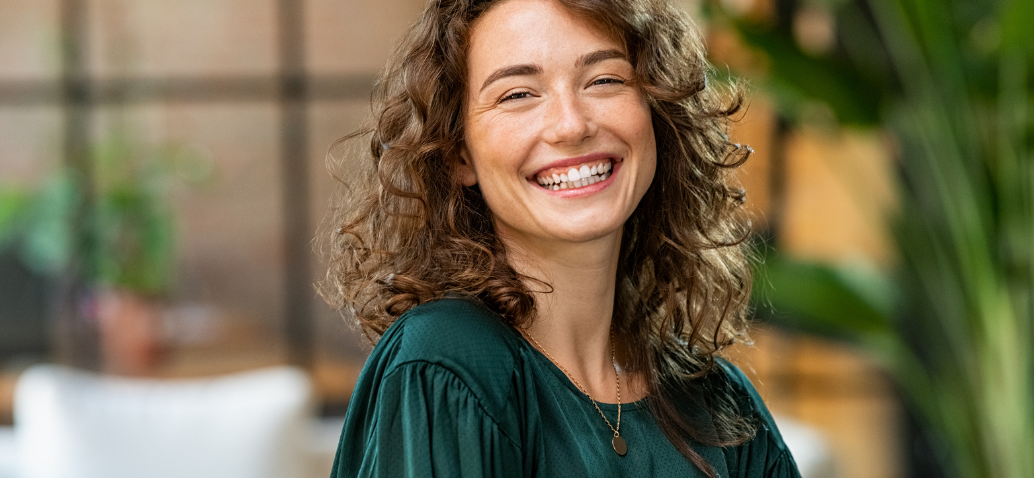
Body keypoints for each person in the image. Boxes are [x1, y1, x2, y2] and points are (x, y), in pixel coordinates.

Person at [320, 0, 801, 475]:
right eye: (518, 94)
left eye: (605, 80)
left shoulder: (718, 403)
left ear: (657, 113)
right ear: (459, 154)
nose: (571, 125)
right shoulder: (446, 365)